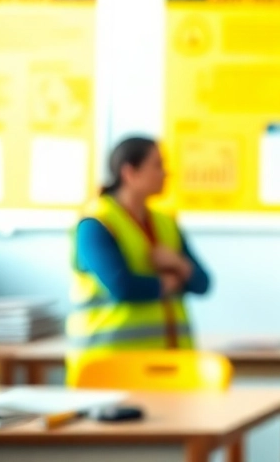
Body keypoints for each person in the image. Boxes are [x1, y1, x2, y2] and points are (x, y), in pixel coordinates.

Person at [65, 136, 211, 385]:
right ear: (130, 172)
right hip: (109, 364)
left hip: (168, 363)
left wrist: (177, 264)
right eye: (158, 165)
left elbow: (202, 283)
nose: (166, 173)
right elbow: (123, 287)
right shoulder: (96, 223)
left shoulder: (166, 222)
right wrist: (170, 282)